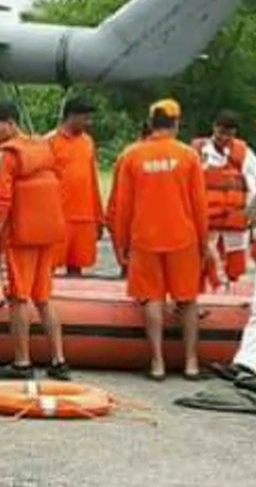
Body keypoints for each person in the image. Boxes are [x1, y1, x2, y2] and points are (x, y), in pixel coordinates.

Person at [109, 98, 211, 380]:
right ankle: (191, 362)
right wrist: (205, 244)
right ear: (176, 124)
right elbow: (200, 205)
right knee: (188, 300)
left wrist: (120, 246)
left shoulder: (132, 156)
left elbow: (123, 206)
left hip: (144, 239)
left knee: (152, 299)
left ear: (150, 124)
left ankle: (157, 363)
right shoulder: (188, 156)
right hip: (184, 238)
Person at [0, 102, 71, 380]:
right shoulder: (42, 147)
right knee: (43, 298)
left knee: (18, 298)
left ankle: (22, 362)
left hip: (17, 238)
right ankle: (59, 360)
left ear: (9, 123)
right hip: (45, 235)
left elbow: (0, 203)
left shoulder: (5, 156)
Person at [192, 110, 256, 288]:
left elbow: (255, 186)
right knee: (202, 261)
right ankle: (202, 294)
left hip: (234, 219)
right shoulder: (197, 151)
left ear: (234, 134)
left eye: (229, 134)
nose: (223, 137)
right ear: (214, 128)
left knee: (235, 263)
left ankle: (232, 291)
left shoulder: (244, 153)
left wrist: (251, 215)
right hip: (207, 217)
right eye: (221, 132)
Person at [46, 97, 104, 277]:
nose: (89, 122)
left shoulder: (88, 142)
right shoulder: (50, 141)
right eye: (85, 118)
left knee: (77, 267)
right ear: (71, 116)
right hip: (58, 216)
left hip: (84, 216)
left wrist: (98, 217)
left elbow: (93, 179)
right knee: (48, 265)